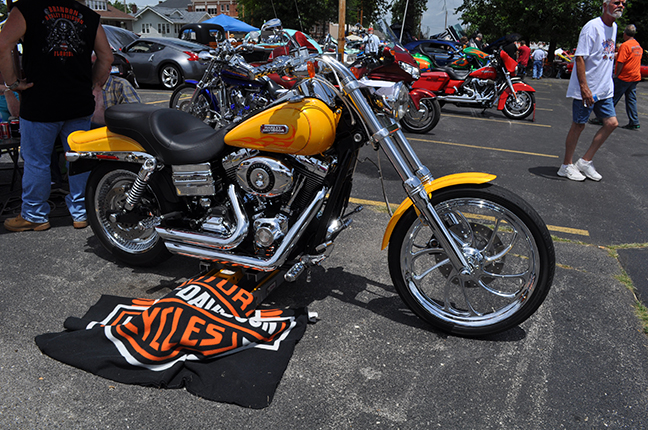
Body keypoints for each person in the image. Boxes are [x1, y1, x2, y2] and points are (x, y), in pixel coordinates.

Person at [0, 0, 113, 232]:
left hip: (40, 101)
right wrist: (90, 83)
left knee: (37, 161)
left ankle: (35, 215)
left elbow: (3, 44)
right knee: (78, 159)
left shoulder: (26, 9)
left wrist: (12, 83)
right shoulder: (89, 15)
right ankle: (82, 213)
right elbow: (106, 57)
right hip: (78, 102)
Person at [557, 0, 625, 182]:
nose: (620, 6)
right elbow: (580, 58)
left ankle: (585, 161)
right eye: (616, 2)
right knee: (579, 125)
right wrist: (584, 88)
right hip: (588, 88)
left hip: (605, 89)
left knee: (612, 123)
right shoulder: (592, 27)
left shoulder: (615, 27)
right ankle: (566, 165)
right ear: (605, 4)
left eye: (623, 3)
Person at [612, 24, 642, 130]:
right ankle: (634, 121)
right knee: (631, 100)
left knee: (613, 98)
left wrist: (617, 74)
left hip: (624, 77)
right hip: (635, 77)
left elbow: (620, 62)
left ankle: (603, 118)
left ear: (625, 34)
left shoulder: (625, 46)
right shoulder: (637, 45)